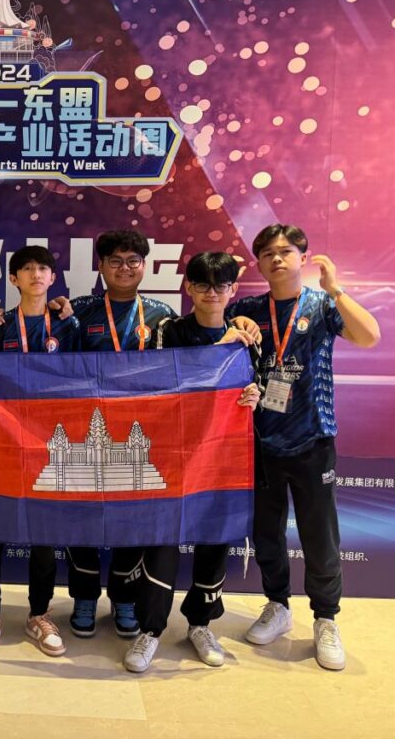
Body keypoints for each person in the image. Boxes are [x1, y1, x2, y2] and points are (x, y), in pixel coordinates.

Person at [227, 224, 380, 671]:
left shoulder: (322, 305)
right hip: (260, 440)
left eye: (286, 251)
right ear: (258, 263)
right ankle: (277, 605)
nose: (277, 259)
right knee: (267, 533)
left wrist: (337, 290)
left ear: (302, 257)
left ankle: (326, 619)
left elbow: (369, 336)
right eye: (267, 253)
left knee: (319, 534)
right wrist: (233, 322)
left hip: (313, 437)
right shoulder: (247, 309)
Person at [123, 251, 261, 673]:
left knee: (215, 538)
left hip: (222, 455)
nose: (211, 293)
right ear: (188, 288)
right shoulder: (169, 330)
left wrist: (252, 396)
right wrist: (219, 350)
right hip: (172, 454)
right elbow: (162, 381)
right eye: (202, 284)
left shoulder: (248, 337)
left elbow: (255, 384)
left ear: (233, 290)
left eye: (221, 286)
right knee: (162, 538)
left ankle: (201, 623)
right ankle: (150, 628)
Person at [63, 230, 178, 639]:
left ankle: (125, 597)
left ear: (145, 265)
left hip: (140, 435)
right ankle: (84, 596)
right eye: (115, 260)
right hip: (87, 430)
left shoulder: (163, 315)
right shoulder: (80, 312)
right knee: (82, 516)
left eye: (133, 260)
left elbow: (188, 366)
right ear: (100, 266)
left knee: (134, 517)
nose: (124, 268)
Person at [0, 246, 82, 660]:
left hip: (50, 444)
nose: (36, 274)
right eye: (27, 269)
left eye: (43, 268)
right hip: (0, 442)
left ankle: (39, 614)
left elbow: (84, 378)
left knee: (44, 533)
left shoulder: (67, 326)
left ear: (53, 277)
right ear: (14, 278)